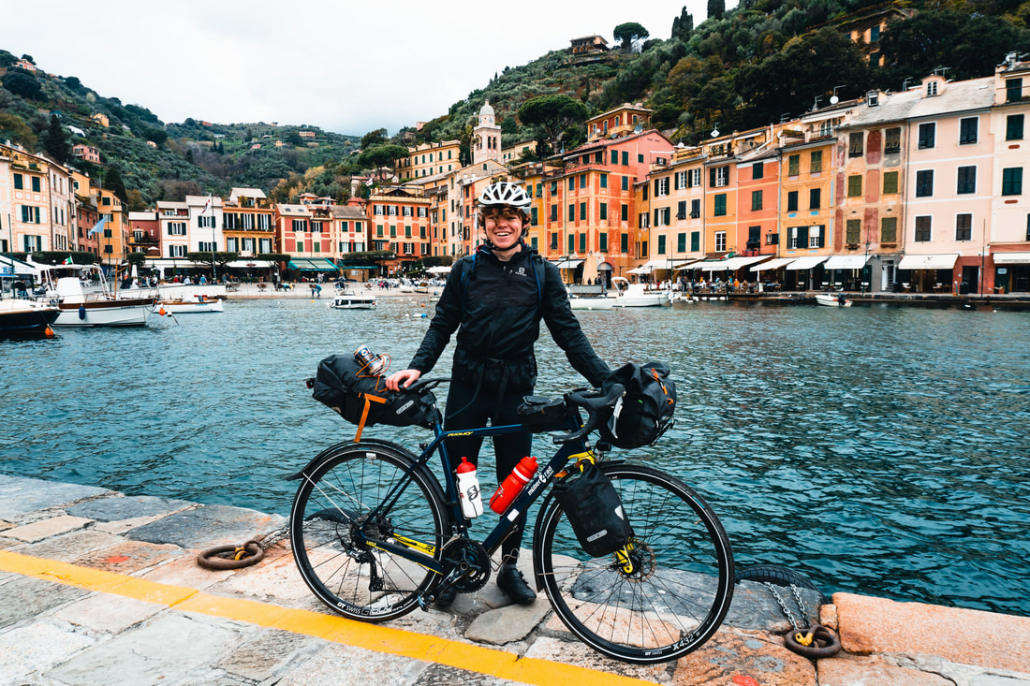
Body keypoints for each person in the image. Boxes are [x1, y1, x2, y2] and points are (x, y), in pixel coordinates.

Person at [386, 181, 610, 607]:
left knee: (517, 482)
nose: (501, 224)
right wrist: (419, 365)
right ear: (484, 223)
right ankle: (455, 563)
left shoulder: (543, 273)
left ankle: (508, 567)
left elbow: (569, 334)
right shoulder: (466, 270)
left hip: (516, 389)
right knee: (459, 478)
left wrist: (604, 379)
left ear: (524, 222)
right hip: (468, 386)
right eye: (493, 217)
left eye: (510, 217)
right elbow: (442, 323)